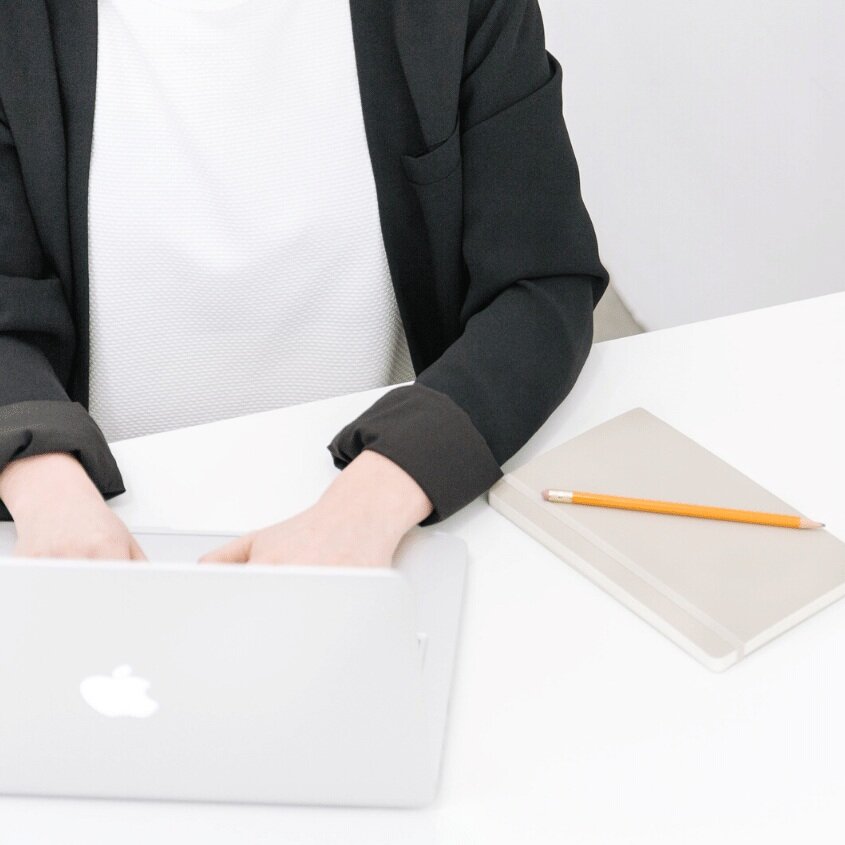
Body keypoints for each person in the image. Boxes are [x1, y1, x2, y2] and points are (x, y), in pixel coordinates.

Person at [0, 0, 609, 566]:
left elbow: (541, 280)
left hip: (387, 504)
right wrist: (43, 481)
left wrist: (377, 498)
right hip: (89, 513)